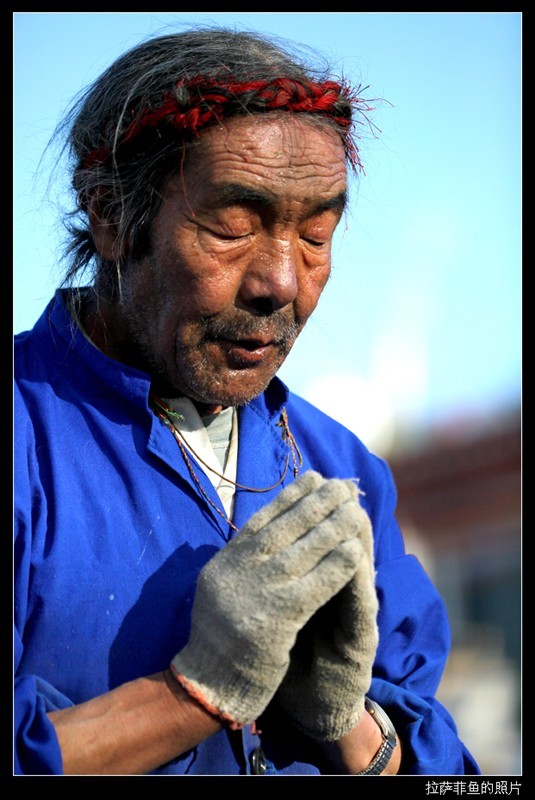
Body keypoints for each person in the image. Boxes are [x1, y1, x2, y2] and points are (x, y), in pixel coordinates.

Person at [14, 26, 480, 776]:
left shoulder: (340, 466)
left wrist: (345, 720)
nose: (282, 284)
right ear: (108, 214)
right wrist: (193, 694)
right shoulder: (24, 437)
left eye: (317, 236)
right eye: (231, 228)